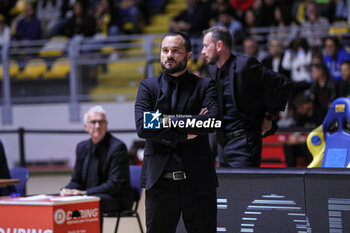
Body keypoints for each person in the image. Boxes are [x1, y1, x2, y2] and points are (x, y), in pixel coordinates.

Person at [135, 31, 219, 233]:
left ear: (189, 56)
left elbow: (212, 122)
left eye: (175, 51)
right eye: (165, 50)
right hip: (160, 183)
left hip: (198, 182)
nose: (169, 55)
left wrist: (163, 120)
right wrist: (186, 130)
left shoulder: (205, 86)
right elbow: (143, 126)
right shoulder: (147, 87)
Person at [202, 26, 292, 168]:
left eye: (206, 46)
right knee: (224, 190)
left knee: (246, 189)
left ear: (219, 46)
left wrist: (270, 116)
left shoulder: (245, 65)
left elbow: (283, 83)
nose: (202, 51)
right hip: (221, 143)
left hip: (244, 142)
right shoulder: (213, 68)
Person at [60, 105, 134, 228]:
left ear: (106, 124)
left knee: (91, 203)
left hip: (117, 197)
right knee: (62, 201)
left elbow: (114, 185)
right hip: (90, 195)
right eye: (93, 122)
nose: (97, 126)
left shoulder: (117, 148)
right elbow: (76, 180)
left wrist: (84, 193)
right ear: (86, 127)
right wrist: (67, 190)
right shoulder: (82, 147)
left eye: (101, 122)